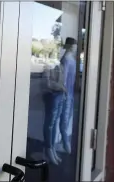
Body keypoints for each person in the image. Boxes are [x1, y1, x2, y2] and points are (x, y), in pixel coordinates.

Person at [42, 37, 77, 165]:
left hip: (64, 93)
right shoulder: (64, 60)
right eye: (72, 46)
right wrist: (64, 91)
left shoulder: (67, 59)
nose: (74, 48)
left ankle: (53, 148)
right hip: (59, 94)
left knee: (58, 120)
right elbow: (59, 80)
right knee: (53, 122)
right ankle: (49, 148)